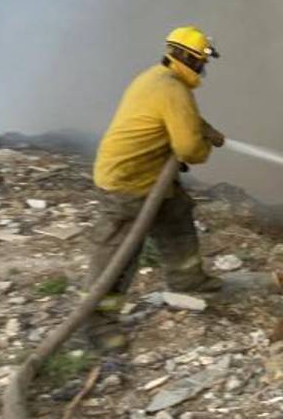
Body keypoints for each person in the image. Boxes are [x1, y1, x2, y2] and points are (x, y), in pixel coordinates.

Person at [83, 25, 226, 350]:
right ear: (189, 58)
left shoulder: (156, 80)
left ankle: (188, 280)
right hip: (128, 181)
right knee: (121, 254)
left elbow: (182, 121)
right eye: (202, 61)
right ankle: (98, 324)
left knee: (177, 216)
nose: (204, 68)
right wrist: (203, 145)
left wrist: (207, 129)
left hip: (149, 176)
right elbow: (189, 150)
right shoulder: (173, 90)